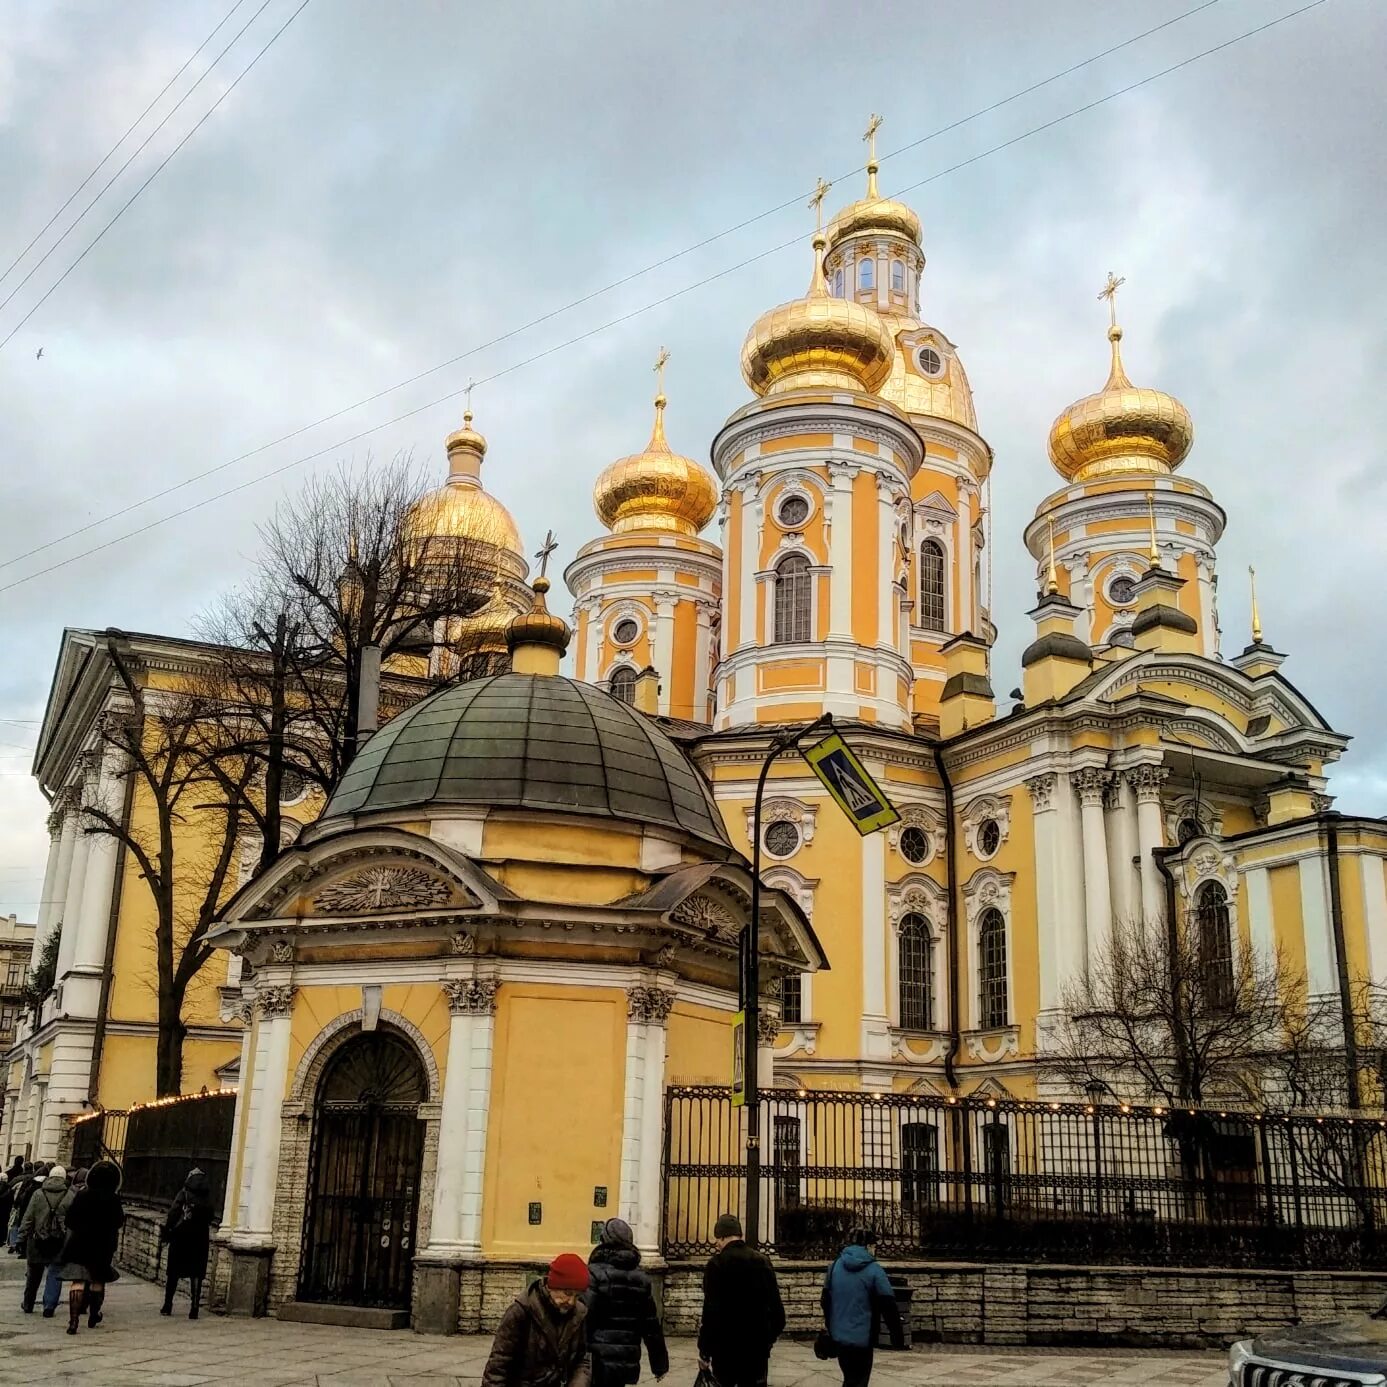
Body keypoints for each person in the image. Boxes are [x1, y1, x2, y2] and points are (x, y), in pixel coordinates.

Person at [697, 1214, 785, 1387]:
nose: (717, 1244)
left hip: (724, 1351)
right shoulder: (762, 1261)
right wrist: (767, 1341)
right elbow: (777, 1313)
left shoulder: (716, 1265)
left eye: (718, 1239)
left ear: (722, 1237)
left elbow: (710, 1314)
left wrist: (705, 1352)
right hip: (756, 1350)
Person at [482, 1252, 593, 1387]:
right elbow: (498, 1366)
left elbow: (582, 1361)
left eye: (577, 1296)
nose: (571, 1301)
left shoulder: (578, 1314)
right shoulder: (521, 1312)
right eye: (567, 1293)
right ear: (552, 1286)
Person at [583, 1217, 668, 1387]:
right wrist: (659, 1365)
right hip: (627, 1359)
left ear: (604, 1240)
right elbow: (651, 1327)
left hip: (597, 1359)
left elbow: (583, 1318)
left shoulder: (594, 1274)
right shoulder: (641, 1279)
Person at [821, 1228, 904, 1387]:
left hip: (839, 1335)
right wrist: (897, 1336)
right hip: (863, 1338)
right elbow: (888, 1305)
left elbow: (825, 1301)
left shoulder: (834, 1266)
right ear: (868, 1246)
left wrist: (831, 1326)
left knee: (849, 1377)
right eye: (874, 1245)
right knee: (860, 1380)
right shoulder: (875, 1270)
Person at [55, 1158, 124, 1334]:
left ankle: (73, 1321)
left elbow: (70, 1219)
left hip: (80, 1242)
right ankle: (94, 1314)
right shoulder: (114, 1199)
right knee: (98, 1280)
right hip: (103, 1244)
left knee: (78, 1280)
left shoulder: (82, 1195)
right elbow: (118, 1222)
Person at [18, 1163, 73, 1316]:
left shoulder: (38, 1194)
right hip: (58, 1241)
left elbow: (28, 1218)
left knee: (33, 1275)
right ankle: (49, 1306)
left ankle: (28, 1303)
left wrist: (21, 1237)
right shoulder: (69, 1195)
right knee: (55, 1273)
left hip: (37, 1240)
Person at [160, 1167, 214, 1318]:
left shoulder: (183, 1193)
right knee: (196, 1272)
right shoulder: (207, 1196)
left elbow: (173, 1213)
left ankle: (167, 1305)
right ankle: (194, 1308)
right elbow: (211, 1216)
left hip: (181, 1237)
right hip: (200, 1238)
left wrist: (167, 1231)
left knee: (173, 1271)